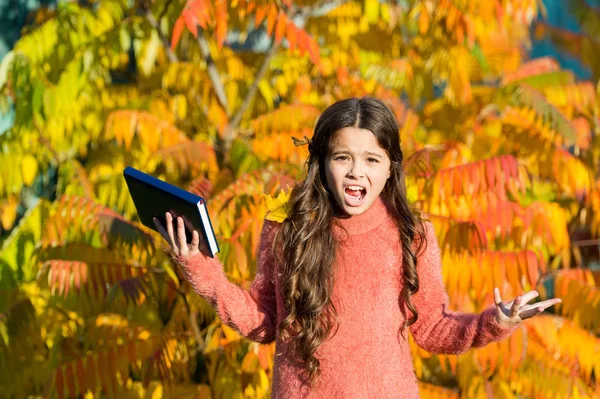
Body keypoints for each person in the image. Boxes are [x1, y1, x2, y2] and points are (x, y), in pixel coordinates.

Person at [153, 97, 561, 398]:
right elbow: (263, 321)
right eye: (342, 157)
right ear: (322, 162)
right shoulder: (285, 226)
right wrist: (202, 271)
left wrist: (496, 321)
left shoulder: (411, 234)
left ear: (390, 168)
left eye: (371, 160)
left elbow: (433, 329)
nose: (355, 171)